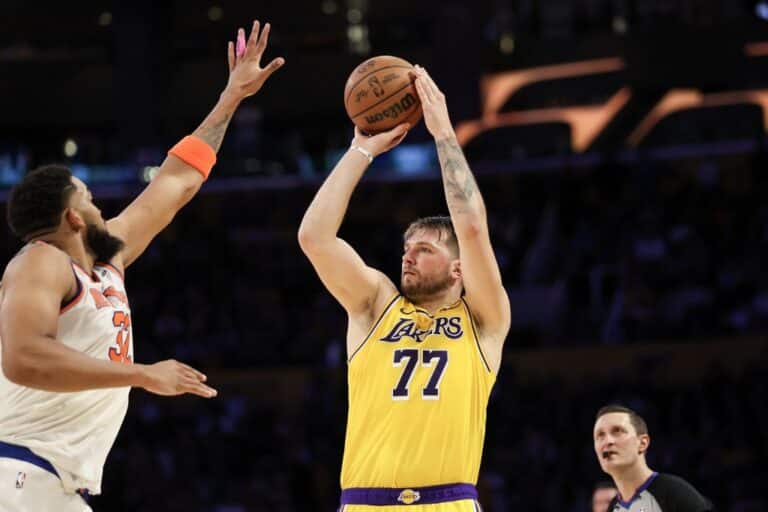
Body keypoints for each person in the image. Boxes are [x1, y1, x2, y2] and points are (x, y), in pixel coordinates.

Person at [0, 20, 284, 511]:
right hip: (21, 472)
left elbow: (175, 184)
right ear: (71, 217)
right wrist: (142, 374)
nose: (98, 205)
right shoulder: (39, 263)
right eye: (88, 198)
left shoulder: (106, 258)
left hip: (53, 482)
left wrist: (230, 97)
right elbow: (23, 358)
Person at [299, 66, 510, 510]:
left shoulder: (484, 321)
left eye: (425, 249)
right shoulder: (375, 303)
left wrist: (443, 133)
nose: (408, 256)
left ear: (458, 270)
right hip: (364, 503)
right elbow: (314, 238)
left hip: (447, 502)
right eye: (406, 248)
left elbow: (471, 226)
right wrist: (360, 150)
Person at [593, 405, 715, 512]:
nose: (607, 441)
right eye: (600, 435)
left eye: (617, 431)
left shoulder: (673, 492)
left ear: (642, 443)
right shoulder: (613, 507)